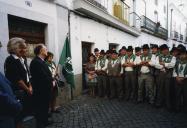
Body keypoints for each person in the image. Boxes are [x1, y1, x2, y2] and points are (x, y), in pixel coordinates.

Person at [4, 37, 33, 128]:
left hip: (26, 89)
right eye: (23, 48)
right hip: (18, 92)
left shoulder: (23, 59)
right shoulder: (10, 60)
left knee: (23, 113)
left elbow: (28, 74)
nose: (25, 50)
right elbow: (18, 79)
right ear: (15, 48)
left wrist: (30, 86)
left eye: (25, 47)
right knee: (18, 115)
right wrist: (28, 89)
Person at [30, 44, 53, 128]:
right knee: (40, 108)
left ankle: (45, 121)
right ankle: (40, 124)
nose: (47, 50)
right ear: (40, 51)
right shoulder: (36, 62)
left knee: (45, 107)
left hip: (45, 90)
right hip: (41, 91)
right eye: (45, 49)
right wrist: (52, 79)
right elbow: (42, 77)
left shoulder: (41, 61)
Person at [155, 44, 176, 110]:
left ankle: (168, 105)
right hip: (160, 74)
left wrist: (164, 64)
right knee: (159, 89)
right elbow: (156, 65)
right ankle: (159, 103)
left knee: (167, 90)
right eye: (163, 50)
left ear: (168, 49)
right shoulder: (158, 56)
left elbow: (172, 65)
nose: (164, 51)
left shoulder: (172, 57)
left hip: (168, 75)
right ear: (161, 51)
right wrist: (163, 66)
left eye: (165, 49)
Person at [173, 46, 187, 112]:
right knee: (177, 94)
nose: (182, 56)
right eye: (181, 54)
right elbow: (174, 70)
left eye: (183, 54)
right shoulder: (177, 62)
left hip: (185, 81)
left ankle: (185, 108)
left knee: (185, 95)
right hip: (177, 80)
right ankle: (177, 107)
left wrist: (183, 77)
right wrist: (177, 77)